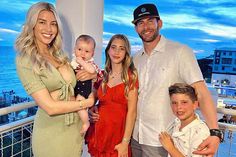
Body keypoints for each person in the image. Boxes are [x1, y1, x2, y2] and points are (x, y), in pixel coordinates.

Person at [130, 3, 221, 157]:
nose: (146, 27)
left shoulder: (180, 52)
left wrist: (215, 132)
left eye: (150, 21)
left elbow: (201, 92)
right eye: (140, 23)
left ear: (160, 23)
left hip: (162, 139)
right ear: (136, 28)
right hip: (136, 136)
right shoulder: (136, 59)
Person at [15, 2, 94, 157]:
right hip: (51, 133)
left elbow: (79, 84)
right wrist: (87, 103)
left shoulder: (60, 55)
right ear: (32, 25)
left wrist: (92, 77)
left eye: (53, 24)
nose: (49, 29)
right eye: (42, 22)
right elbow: (50, 107)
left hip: (75, 130)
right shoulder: (25, 60)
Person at [86, 34, 139, 157]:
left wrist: (125, 143)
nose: (116, 52)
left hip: (118, 136)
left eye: (121, 48)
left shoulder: (130, 78)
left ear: (126, 52)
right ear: (108, 50)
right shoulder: (101, 76)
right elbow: (91, 100)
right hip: (98, 132)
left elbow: (132, 112)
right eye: (113, 47)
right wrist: (90, 109)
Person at [159, 83, 210, 157]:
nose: (179, 107)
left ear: (195, 104)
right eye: (174, 103)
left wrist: (170, 148)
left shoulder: (200, 131)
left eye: (184, 102)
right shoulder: (176, 122)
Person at [71, 34, 103, 134]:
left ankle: (86, 123)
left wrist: (81, 62)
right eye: (79, 49)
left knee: (80, 104)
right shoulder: (73, 61)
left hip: (84, 89)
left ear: (92, 54)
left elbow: (91, 70)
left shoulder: (89, 62)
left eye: (87, 51)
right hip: (78, 88)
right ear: (74, 49)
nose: (82, 53)